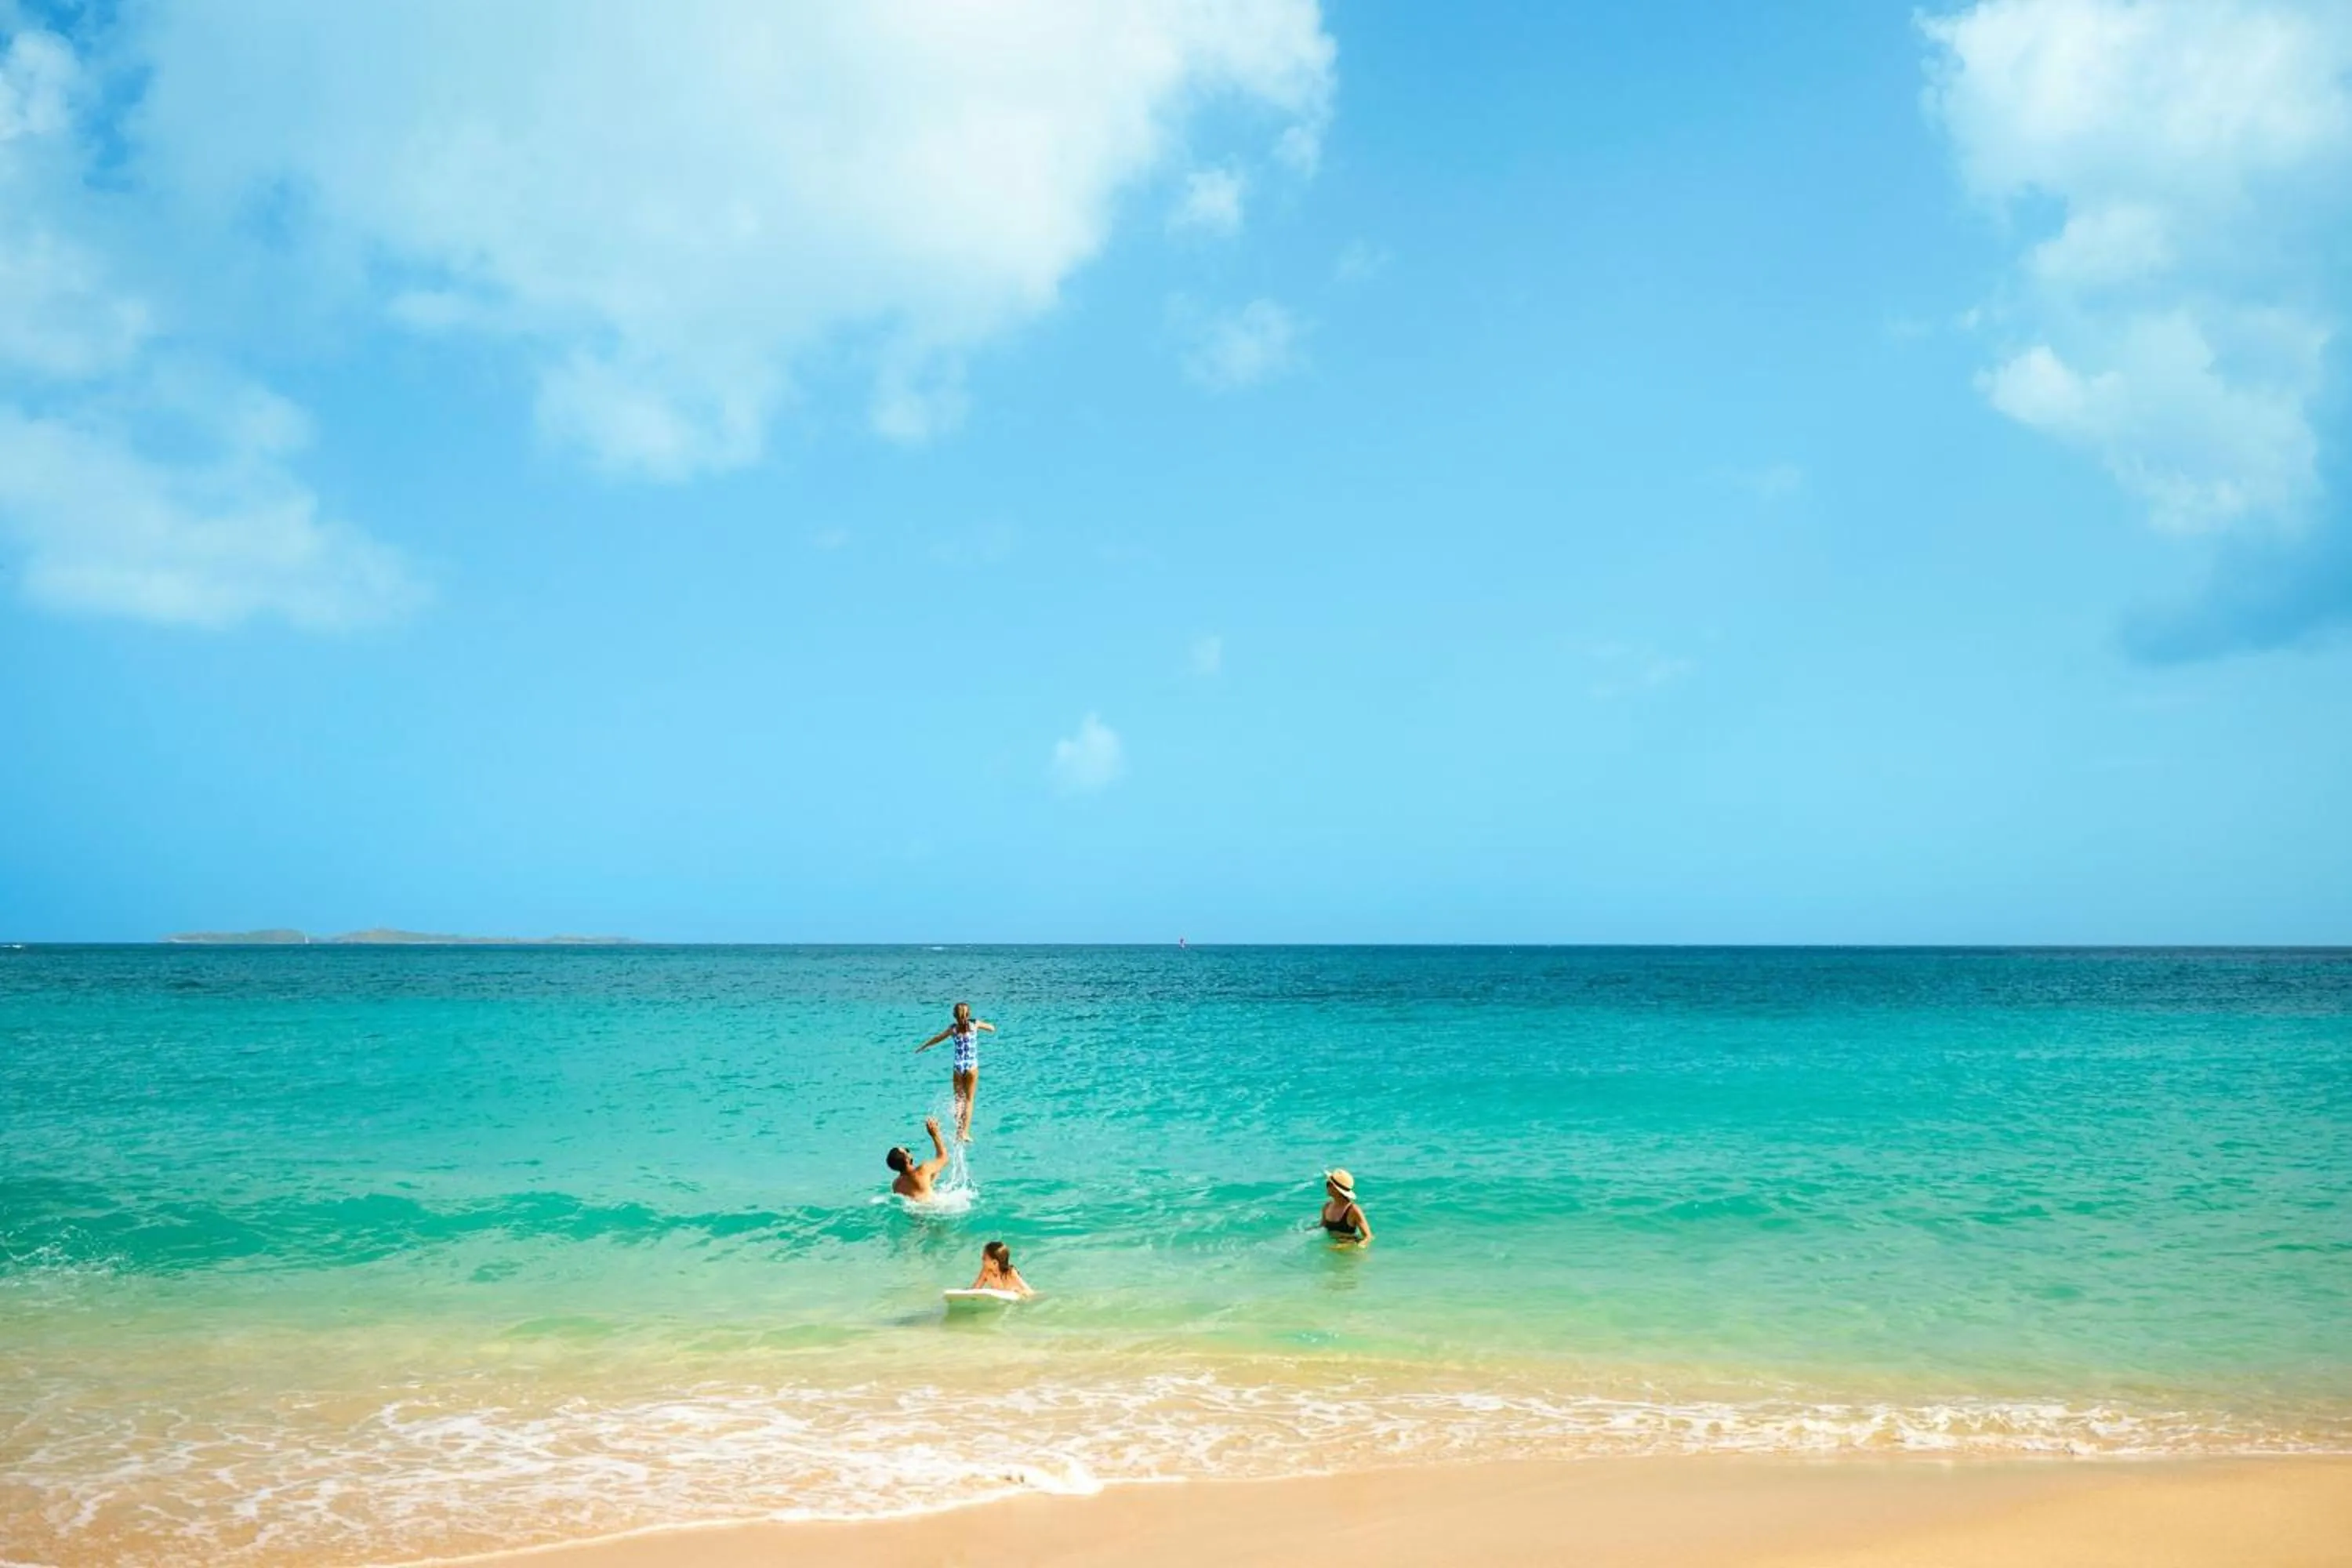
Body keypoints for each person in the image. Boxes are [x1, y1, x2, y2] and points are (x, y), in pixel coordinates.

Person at [916, 1001, 996, 1143]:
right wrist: (989, 1026)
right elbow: (991, 1029)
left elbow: (938, 1038)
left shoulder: (953, 1029)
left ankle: (958, 1130)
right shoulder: (974, 1024)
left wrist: (924, 1046)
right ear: (969, 1014)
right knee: (969, 1100)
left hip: (958, 1067)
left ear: (954, 1015)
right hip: (971, 1067)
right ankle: (965, 1132)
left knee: (959, 1100)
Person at [887, 1117, 953, 1200]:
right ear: (907, 1160)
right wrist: (935, 1135)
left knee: (937, 1171)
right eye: (907, 1150)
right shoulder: (923, 1170)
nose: (909, 1151)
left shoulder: (896, 1185)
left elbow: (921, 1186)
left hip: (915, 1208)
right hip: (934, 1206)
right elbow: (944, 1159)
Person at [1319, 1168, 1372, 1246]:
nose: (1326, 1186)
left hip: (1348, 1249)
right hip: (1332, 1247)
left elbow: (1368, 1237)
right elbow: (1321, 1227)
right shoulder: (1327, 1206)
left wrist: (1345, 1247)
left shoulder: (1353, 1210)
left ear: (1337, 1190)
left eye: (1328, 1184)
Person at [969, 1240, 1034, 1298]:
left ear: (995, 1263)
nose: (982, 1258)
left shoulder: (1010, 1273)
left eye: (984, 1258)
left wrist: (1020, 1294)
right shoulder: (986, 1271)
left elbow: (1029, 1292)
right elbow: (975, 1290)